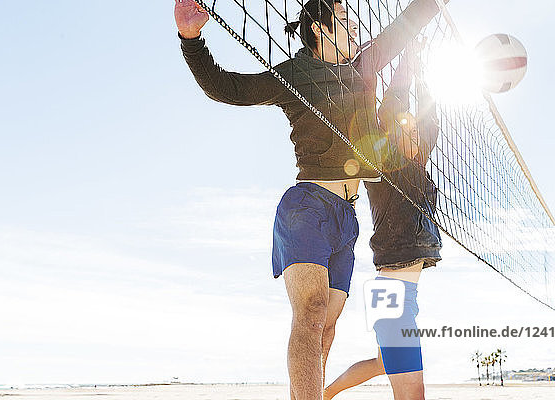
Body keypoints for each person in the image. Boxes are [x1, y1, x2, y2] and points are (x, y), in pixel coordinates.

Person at [174, 1, 444, 398]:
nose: (355, 28)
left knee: (327, 325)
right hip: (308, 206)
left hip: (346, 220)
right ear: (319, 28)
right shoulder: (295, 75)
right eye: (346, 21)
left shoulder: (363, 66)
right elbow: (228, 88)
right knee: (312, 313)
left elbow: (408, 23)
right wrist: (191, 39)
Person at [324, 41, 442, 400]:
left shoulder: (418, 163)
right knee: (411, 390)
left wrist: (421, 69)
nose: (413, 131)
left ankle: (322, 395)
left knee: (382, 364)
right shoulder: (385, 166)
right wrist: (407, 54)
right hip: (392, 292)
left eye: (415, 130)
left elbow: (430, 115)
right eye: (404, 127)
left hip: (395, 292)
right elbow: (396, 100)